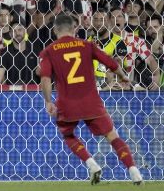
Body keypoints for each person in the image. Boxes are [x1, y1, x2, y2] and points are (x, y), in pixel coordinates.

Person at [38, 14, 143, 185]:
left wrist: (48, 101)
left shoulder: (48, 51)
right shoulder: (87, 45)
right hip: (91, 102)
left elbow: (45, 78)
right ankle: (133, 170)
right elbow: (110, 62)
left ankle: (91, 163)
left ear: (55, 30)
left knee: (68, 135)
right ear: (75, 29)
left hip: (67, 104)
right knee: (112, 135)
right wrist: (123, 77)